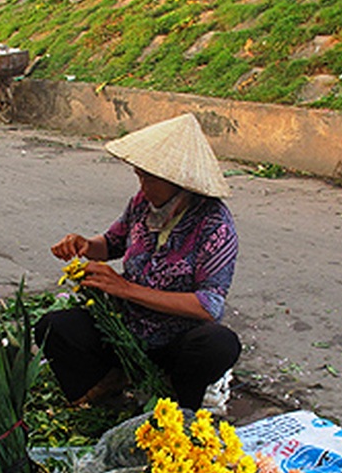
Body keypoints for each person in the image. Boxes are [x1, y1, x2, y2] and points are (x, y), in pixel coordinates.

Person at [34, 113, 241, 411]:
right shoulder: (143, 204)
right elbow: (113, 243)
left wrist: (125, 289)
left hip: (176, 341)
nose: (142, 186)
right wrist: (84, 245)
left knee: (218, 344)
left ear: (177, 181)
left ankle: (178, 402)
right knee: (53, 327)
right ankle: (111, 381)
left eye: (148, 178)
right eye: (139, 176)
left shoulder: (215, 224)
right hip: (128, 327)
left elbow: (208, 306)